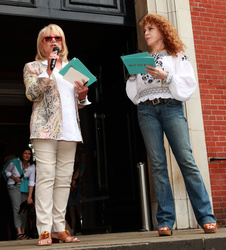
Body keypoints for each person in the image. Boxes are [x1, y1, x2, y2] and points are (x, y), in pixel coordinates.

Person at [126, 14, 217, 236]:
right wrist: (131, 77)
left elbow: (188, 84)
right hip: (146, 110)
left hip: (171, 107)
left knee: (186, 160)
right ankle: (165, 221)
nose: (146, 33)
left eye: (151, 29)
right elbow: (134, 94)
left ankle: (206, 217)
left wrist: (165, 76)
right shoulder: (141, 59)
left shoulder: (177, 56)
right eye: (145, 30)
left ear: (162, 31)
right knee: (157, 165)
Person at [23, 24, 89, 246]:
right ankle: (44, 230)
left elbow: (76, 104)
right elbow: (32, 94)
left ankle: (59, 228)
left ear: (63, 42)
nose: (54, 41)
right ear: (41, 43)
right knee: (45, 177)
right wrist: (48, 71)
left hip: (70, 130)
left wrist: (82, 95)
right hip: (44, 130)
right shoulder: (33, 67)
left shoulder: (73, 67)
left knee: (62, 181)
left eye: (58, 38)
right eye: (48, 38)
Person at [3, 147, 35, 240]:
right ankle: (19, 233)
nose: (27, 155)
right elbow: (6, 171)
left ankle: (23, 233)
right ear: (21, 154)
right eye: (25, 153)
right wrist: (14, 178)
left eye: (29, 154)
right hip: (14, 186)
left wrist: (30, 196)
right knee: (17, 208)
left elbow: (32, 181)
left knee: (24, 210)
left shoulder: (32, 166)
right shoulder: (14, 162)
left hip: (25, 187)